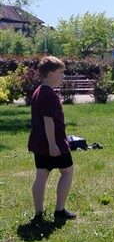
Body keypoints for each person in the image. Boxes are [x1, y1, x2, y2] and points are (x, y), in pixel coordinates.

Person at [28, 56, 76, 221]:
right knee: (67, 172)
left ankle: (39, 213)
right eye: (60, 72)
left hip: (39, 143)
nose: (63, 76)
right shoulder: (48, 94)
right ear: (50, 74)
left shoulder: (38, 91)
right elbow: (48, 121)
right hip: (53, 143)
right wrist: (53, 145)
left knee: (41, 176)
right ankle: (59, 210)